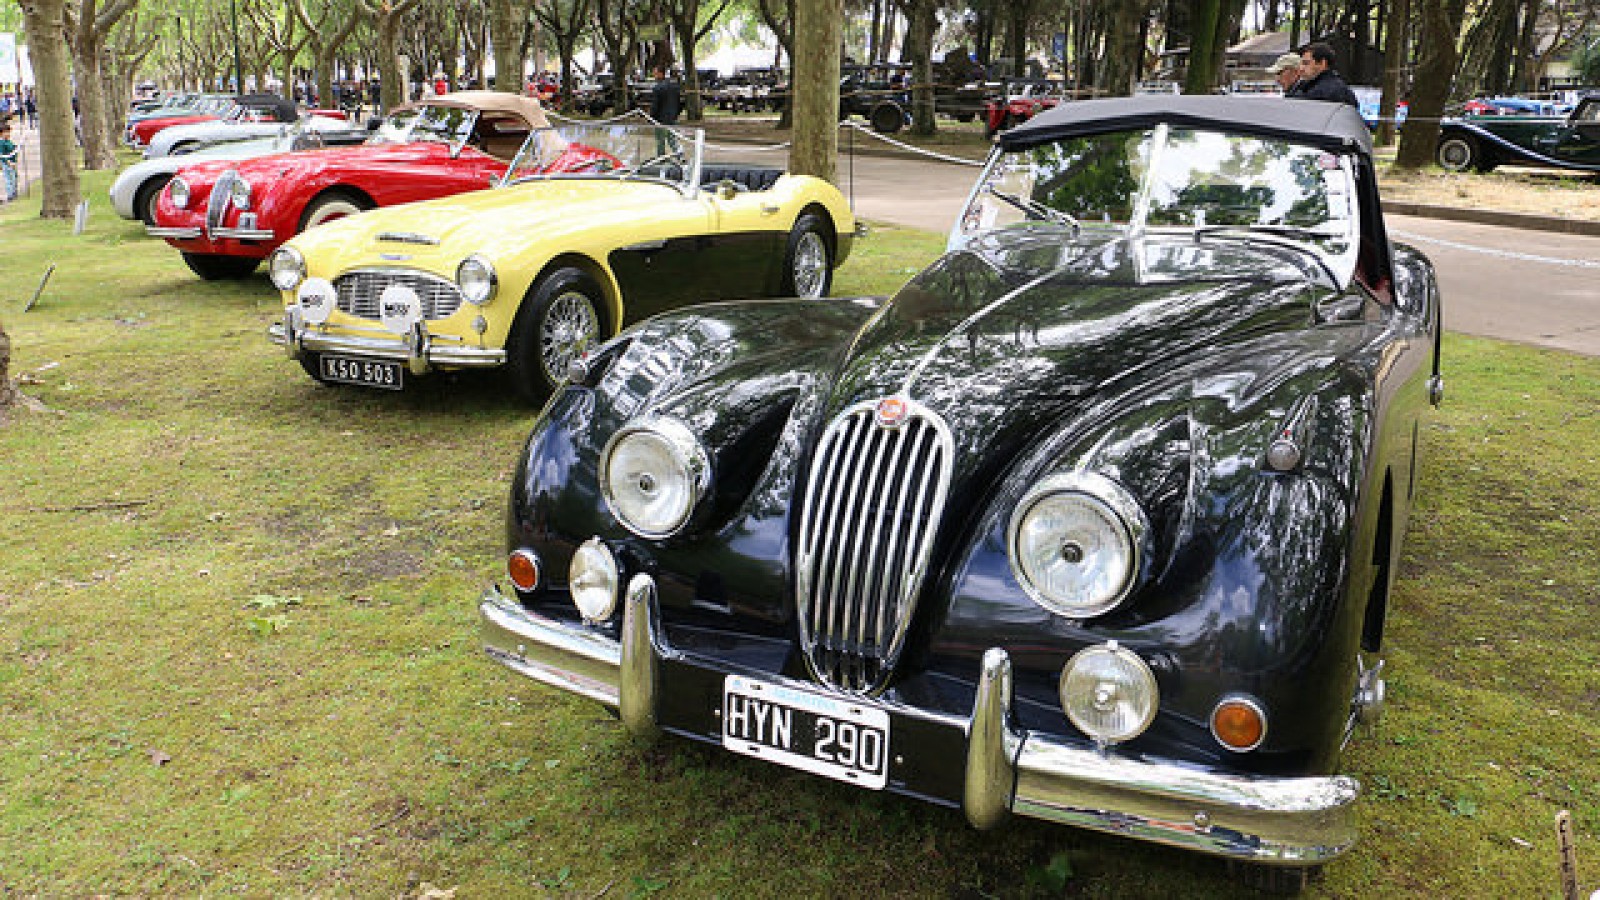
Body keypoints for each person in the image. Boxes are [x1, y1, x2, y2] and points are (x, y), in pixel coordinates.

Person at [1295, 42, 1359, 108]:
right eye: (1301, 64)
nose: (1301, 68)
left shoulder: (1325, 92)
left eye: (1306, 63)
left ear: (1322, 63)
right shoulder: (1307, 85)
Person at [0, 119, 18, 202]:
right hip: (7, 164)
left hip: (13, 163)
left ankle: (14, 192)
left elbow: (12, 149)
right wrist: (9, 162)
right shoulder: (2, 143)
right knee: (9, 179)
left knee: (14, 177)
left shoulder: (8, 141)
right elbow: (2, 155)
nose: (8, 134)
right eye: (6, 132)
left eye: (9, 132)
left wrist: (15, 147)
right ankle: (10, 194)